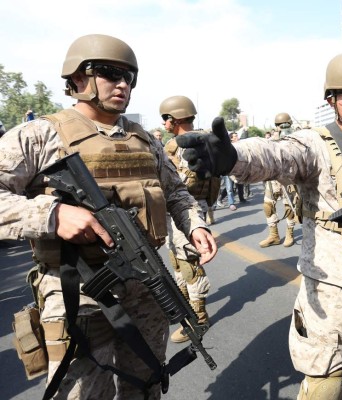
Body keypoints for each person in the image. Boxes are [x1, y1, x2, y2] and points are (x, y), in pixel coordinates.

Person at [177, 51, 342, 400]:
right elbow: (276, 154)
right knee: (324, 374)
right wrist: (234, 158)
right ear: (331, 100)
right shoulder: (315, 142)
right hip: (332, 279)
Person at [0, 34, 217, 399]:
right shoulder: (40, 135)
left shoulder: (144, 140)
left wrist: (194, 224)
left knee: (146, 387)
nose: (122, 84)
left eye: (129, 77)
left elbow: (176, 191)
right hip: (78, 292)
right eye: (109, 73)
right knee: (83, 393)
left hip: (145, 288)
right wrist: (52, 214)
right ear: (77, 78)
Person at [160, 95, 219, 342]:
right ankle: (186, 308)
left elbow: (181, 185)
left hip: (188, 210)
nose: (164, 124)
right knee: (176, 262)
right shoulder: (175, 146)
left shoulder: (193, 147)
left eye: (166, 119)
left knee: (190, 265)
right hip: (174, 212)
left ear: (175, 120)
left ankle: (199, 319)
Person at [258, 112, 298, 248]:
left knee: (289, 207)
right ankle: (274, 235)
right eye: (279, 125)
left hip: (288, 179)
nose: (282, 127)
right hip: (273, 178)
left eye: (284, 124)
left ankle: (289, 233)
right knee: (268, 206)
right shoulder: (272, 139)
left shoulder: (296, 138)